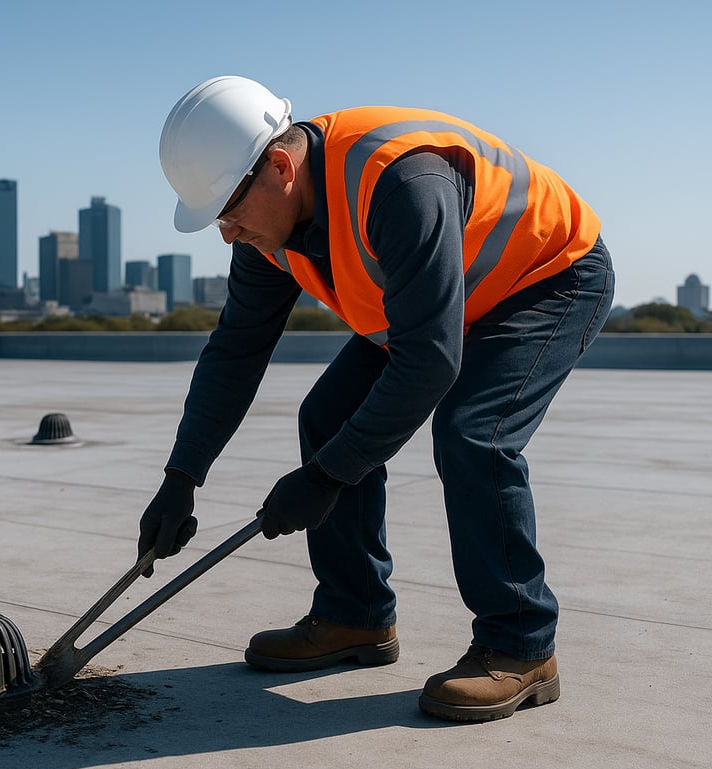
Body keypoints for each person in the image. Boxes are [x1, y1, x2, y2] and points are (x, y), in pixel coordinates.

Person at [138, 76, 614, 722]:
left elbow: (431, 361)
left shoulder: (400, 183)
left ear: (279, 166)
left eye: (229, 211)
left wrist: (327, 475)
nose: (227, 234)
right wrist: (181, 477)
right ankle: (354, 616)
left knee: (477, 433)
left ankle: (521, 645)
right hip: (442, 302)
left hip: (545, 278)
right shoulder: (267, 233)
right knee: (327, 414)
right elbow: (235, 352)